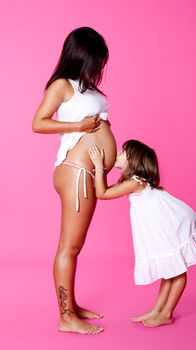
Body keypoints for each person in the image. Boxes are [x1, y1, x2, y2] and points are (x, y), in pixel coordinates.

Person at [32, 27, 117, 335]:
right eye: (96, 60)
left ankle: (72, 305)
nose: (99, 68)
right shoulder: (61, 85)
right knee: (69, 247)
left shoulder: (88, 89)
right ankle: (66, 316)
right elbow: (38, 123)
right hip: (75, 172)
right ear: (82, 56)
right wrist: (79, 124)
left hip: (90, 172)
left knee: (75, 246)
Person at [88, 139, 196, 327]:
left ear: (133, 161)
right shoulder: (134, 181)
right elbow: (104, 190)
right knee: (169, 268)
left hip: (172, 223)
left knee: (177, 270)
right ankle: (157, 310)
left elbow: (103, 194)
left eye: (123, 152)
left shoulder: (134, 182)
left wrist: (99, 166)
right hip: (165, 224)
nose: (119, 153)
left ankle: (167, 314)